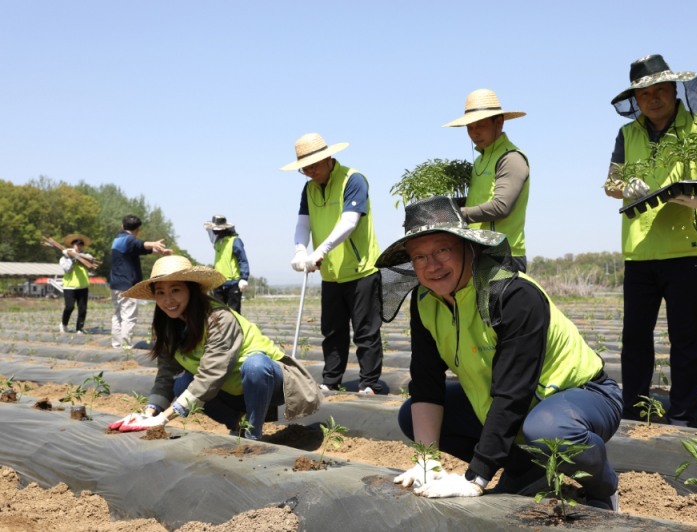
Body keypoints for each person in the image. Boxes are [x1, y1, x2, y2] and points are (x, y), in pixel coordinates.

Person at [378, 196, 622, 509]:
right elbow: (426, 382)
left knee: (549, 430)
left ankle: (602, 488)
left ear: (468, 246)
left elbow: (512, 392)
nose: (432, 265)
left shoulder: (512, 294)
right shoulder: (425, 301)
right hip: (508, 404)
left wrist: (475, 479)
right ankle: (526, 470)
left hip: (581, 395)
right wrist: (428, 461)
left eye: (442, 250)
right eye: (420, 257)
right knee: (411, 414)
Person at [604, 54, 697, 427]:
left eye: (661, 90)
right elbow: (611, 183)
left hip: (686, 251)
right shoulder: (627, 134)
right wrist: (625, 186)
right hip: (639, 253)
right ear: (635, 99)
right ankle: (634, 410)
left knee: (688, 339)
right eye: (645, 93)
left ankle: (682, 414)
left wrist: (693, 196)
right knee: (636, 339)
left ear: (675, 90)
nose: (653, 98)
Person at [107, 255, 322, 439]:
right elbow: (166, 374)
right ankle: (236, 424)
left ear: (191, 290)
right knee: (182, 384)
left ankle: (253, 434)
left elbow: (211, 376)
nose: (168, 300)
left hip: (270, 383)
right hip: (230, 389)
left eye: (175, 290)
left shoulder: (219, 319)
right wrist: (149, 413)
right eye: (160, 292)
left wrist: (164, 419)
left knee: (255, 365)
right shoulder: (168, 326)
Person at [280, 132, 383, 394]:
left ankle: (369, 383)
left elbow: (350, 220)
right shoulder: (309, 188)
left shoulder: (353, 179)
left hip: (361, 270)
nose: (310, 171)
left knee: (365, 332)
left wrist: (322, 248)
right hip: (331, 273)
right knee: (332, 331)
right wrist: (300, 250)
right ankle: (330, 380)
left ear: (328, 158)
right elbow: (303, 223)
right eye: (304, 167)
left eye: (314, 164)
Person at [444, 88, 530, 273]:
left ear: (499, 122)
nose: (474, 133)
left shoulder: (510, 158)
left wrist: (457, 214)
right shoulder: (479, 161)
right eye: (470, 127)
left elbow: (501, 206)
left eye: (480, 125)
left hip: (505, 256)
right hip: (479, 252)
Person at [109, 215, 172, 349]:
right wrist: (153, 243)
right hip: (127, 285)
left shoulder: (118, 240)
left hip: (115, 284)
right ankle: (125, 346)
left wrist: (159, 250)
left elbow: (141, 248)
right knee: (128, 316)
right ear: (138, 229)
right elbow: (139, 244)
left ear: (122, 226)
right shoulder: (128, 240)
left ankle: (116, 344)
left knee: (117, 315)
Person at [203, 214, 250, 313]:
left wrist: (243, 278)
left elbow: (243, 259)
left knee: (234, 312)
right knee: (218, 312)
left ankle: (237, 328)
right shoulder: (217, 243)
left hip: (233, 283)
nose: (214, 231)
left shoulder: (235, 241)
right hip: (218, 282)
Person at [58, 233, 97, 334]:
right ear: (72, 246)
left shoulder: (86, 257)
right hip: (69, 287)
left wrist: (79, 257)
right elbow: (68, 269)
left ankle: (79, 328)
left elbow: (92, 263)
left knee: (82, 309)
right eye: (76, 244)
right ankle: (64, 324)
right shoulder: (64, 259)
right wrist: (72, 258)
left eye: (81, 245)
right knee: (69, 307)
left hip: (83, 286)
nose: (79, 247)